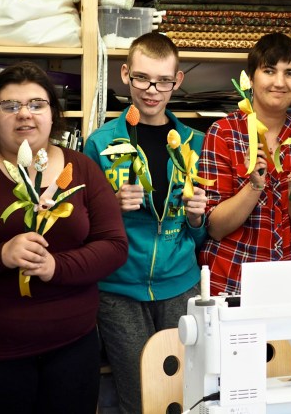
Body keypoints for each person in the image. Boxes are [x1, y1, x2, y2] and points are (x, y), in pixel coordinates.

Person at [0, 62, 128, 414]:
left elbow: (114, 246)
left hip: (72, 346)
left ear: (53, 113)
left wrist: (55, 266)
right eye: (10, 105)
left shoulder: (82, 170)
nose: (24, 114)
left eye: (36, 104)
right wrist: (1, 254)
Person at [83, 33, 207, 414]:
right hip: (119, 289)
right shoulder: (100, 143)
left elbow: (199, 232)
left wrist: (196, 218)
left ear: (177, 81)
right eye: (142, 79)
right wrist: (112, 206)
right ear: (125, 75)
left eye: (163, 81)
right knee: (139, 397)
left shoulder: (194, 142)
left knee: (185, 393)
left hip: (180, 283)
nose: (152, 91)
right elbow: (83, 227)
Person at [199, 32, 291, 295]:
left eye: (290, 73)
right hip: (232, 278)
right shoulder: (224, 133)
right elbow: (215, 228)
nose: (279, 82)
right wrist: (253, 187)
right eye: (269, 71)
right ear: (251, 78)